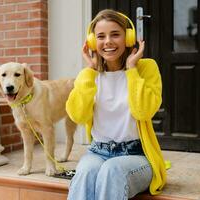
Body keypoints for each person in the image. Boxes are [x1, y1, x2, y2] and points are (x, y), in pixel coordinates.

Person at [66, 9, 166, 200]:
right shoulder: (89, 76)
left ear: (128, 38)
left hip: (136, 155)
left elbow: (143, 112)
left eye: (115, 34)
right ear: (93, 42)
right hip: (97, 151)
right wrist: (90, 71)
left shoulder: (146, 68)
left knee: (112, 170)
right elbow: (78, 116)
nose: (108, 42)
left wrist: (131, 69)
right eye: (101, 36)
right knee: (86, 171)